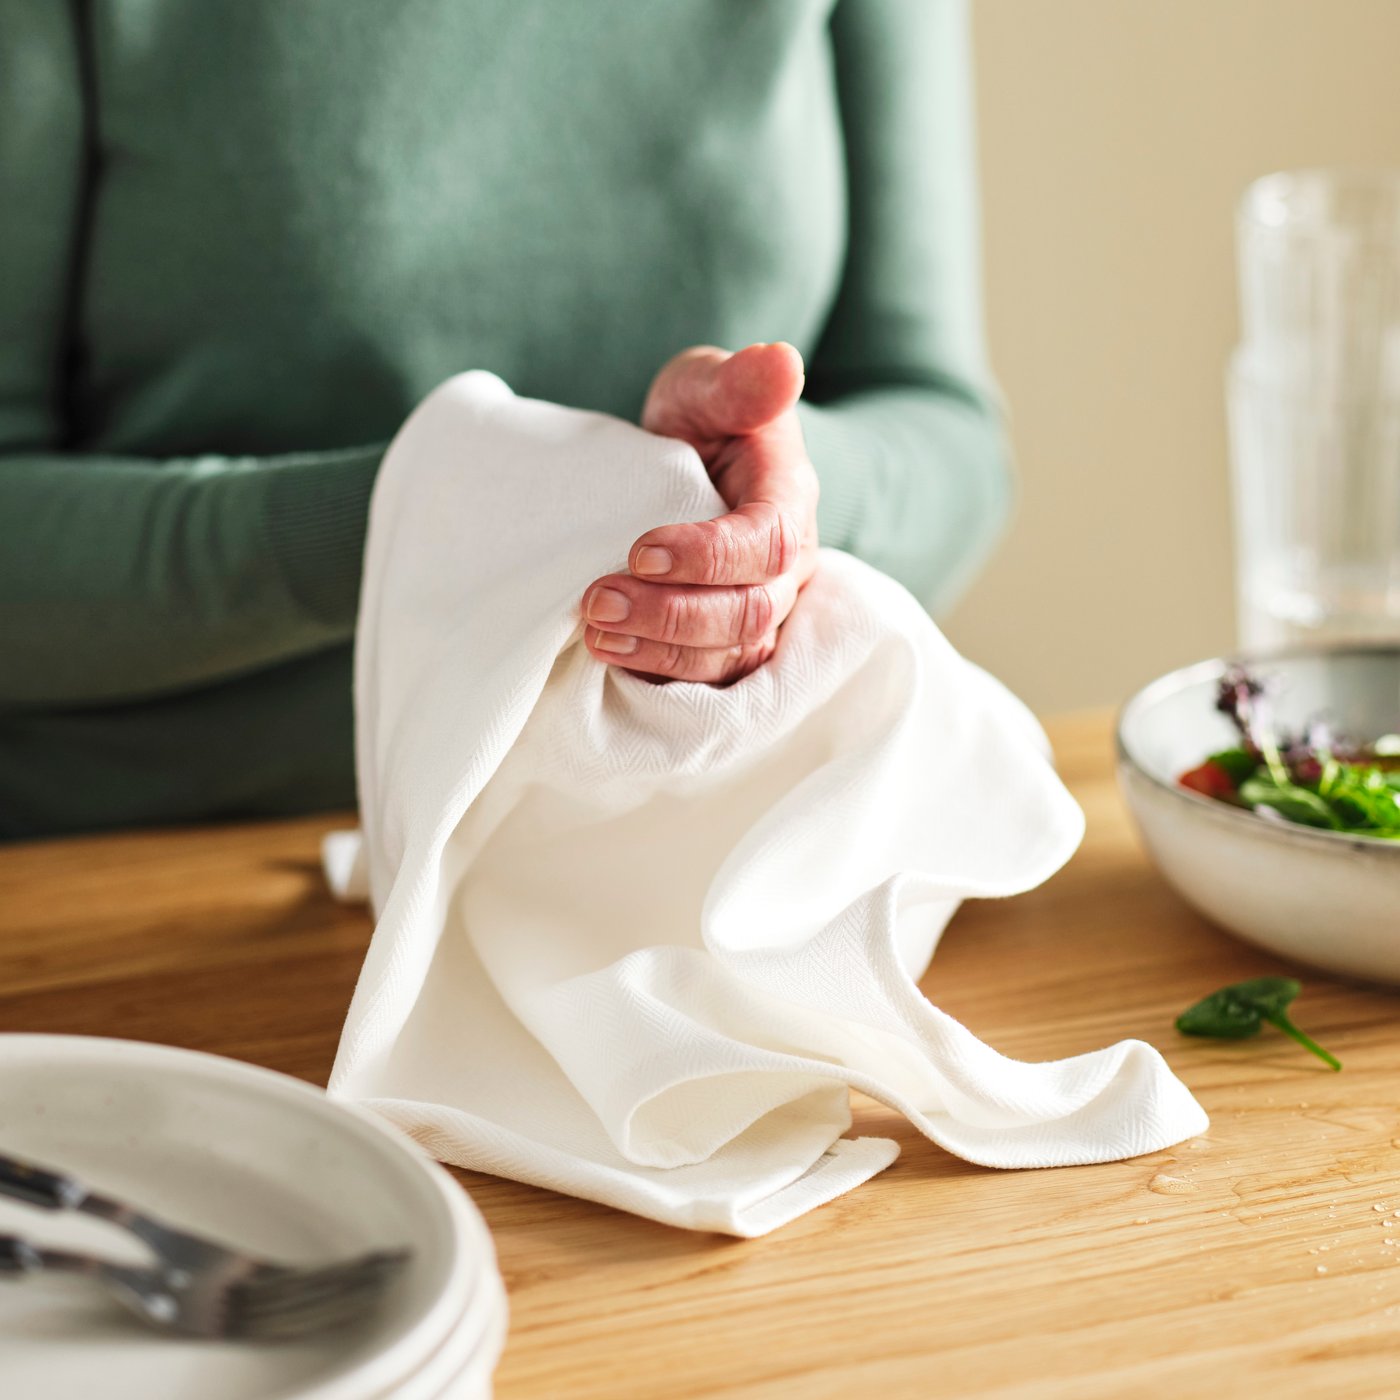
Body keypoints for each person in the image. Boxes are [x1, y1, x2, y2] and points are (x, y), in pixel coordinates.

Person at [0, 0, 1010, 839]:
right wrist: (422, 514)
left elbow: (943, 434)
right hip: (162, 874)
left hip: (699, 863)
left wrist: (759, 511)